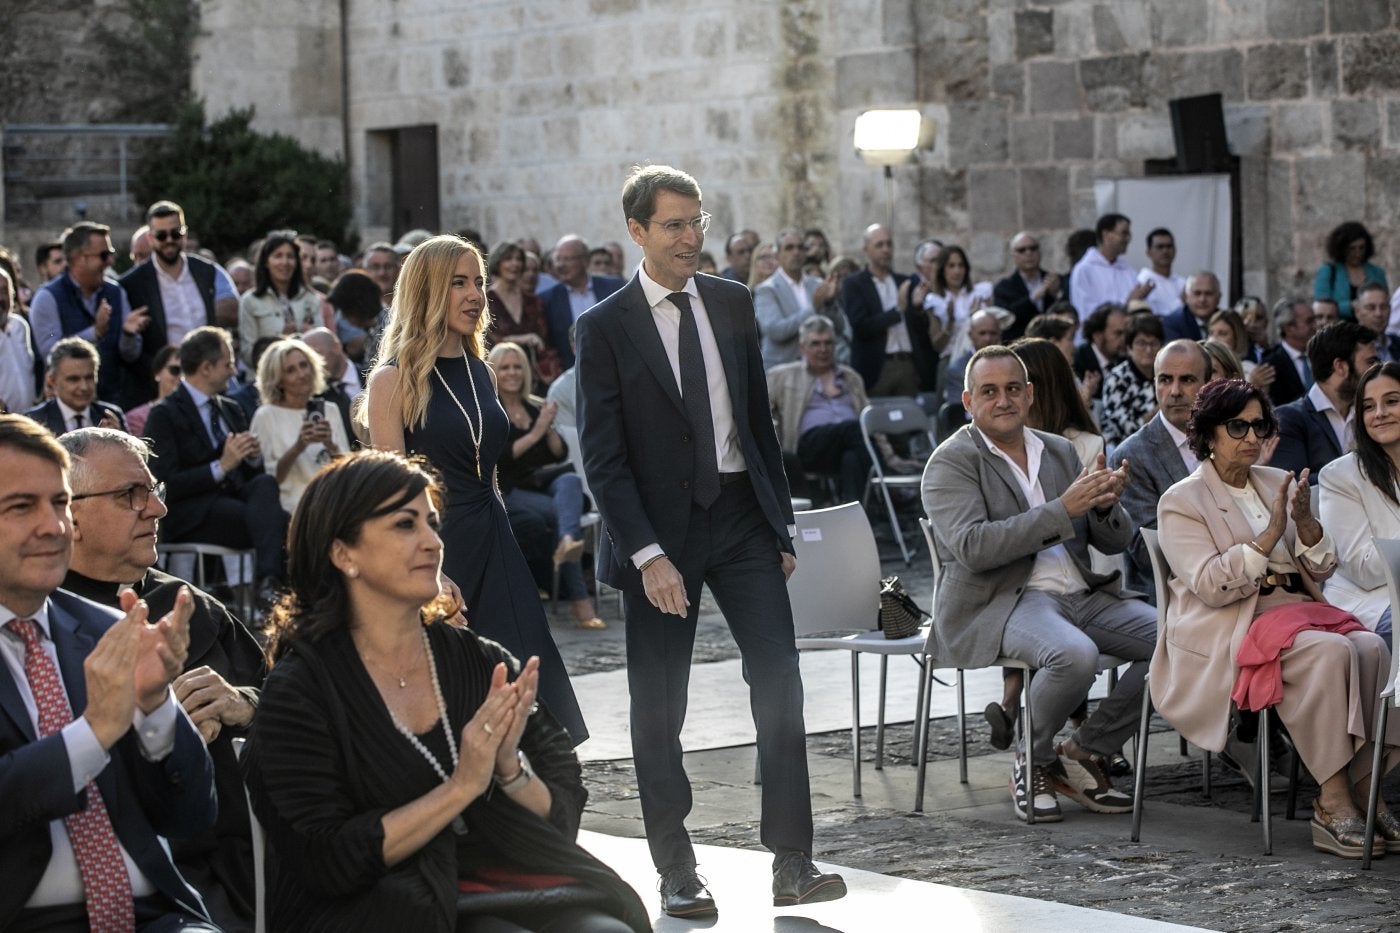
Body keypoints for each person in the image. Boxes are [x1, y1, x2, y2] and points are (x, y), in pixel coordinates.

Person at [576, 165, 845, 916]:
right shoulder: (603, 326)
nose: (692, 237)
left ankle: (792, 858)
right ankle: (676, 865)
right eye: (674, 225)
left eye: (697, 222)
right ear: (637, 231)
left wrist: (779, 521)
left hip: (741, 518)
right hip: (658, 536)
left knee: (781, 678)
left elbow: (757, 422)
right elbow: (603, 458)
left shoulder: (732, 302)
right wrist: (647, 554)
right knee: (661, 701)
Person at [240, 451, 648, 932]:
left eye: (432, 524)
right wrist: (462, 787)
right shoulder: (302, 690)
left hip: (500, 880)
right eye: (405, 525)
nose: (433, 542)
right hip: (378, 904)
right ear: (342, 552)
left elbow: (562, 811)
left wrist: (509, 769)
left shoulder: (479, 660)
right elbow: (328, 857)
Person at [1155, 378, 1400, 859]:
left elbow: (1322, 568)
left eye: (1259, 425)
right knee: (1329, 653)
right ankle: (1331, 801)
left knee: (1374, 647)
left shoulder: (1275, 480)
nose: (1251, 437)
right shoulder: (1182, 500)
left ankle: (1366, 790)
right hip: (1233, 621)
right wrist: (1266, 538)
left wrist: (1306, 527)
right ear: (1207, 432)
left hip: (1298, 611)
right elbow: (1208, 584)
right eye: (1237, 426)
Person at [0, 413, 219, 931]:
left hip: (156, 918)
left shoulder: (109, 630)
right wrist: (94, 731)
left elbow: (190, 818)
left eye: (58, 503)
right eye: (21, 506)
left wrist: (155, 711)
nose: (52, 526)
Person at [364, 234, 586, 744]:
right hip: (438, 551)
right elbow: (391, 494)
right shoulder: (391, 381)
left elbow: (492, 470)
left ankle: (534, 799)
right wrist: (431, 574)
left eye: (479, 283)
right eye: (458, 283)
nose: (474, 295)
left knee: (527, 682)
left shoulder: (483, 373)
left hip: (495, 538)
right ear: (426, 291)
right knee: (455, 696)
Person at [922, 345, 1154, 823]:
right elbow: (974, 547)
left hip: (1083, 591)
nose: (1002, 400)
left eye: (1012, 389)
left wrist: (1107, 505)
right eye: (989, 392)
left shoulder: (1059, 450)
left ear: (1029, 395)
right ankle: (1033, 759)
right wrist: (1062, 510)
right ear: (969, 401)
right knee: (1074, 655)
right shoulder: (951, 463)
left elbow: (1114, 540)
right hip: (1007, 599)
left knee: (1183, 641)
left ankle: (1086, 748)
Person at [59, 427, 266, 932]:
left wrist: (244, 704)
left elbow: (293, 704)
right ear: (70, 514)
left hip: (225, 867)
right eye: (131, 495)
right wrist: (153, 720)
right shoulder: (34, 622)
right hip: (98, 872)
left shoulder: (191, 609)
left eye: (154, 490)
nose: (157, 509)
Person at [145, 326, 289, 609]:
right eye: (228, 364)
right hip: (193, 512)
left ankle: (268, 584)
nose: (234, 372)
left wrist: (251, 458)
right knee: (279, 522)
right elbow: (165, 483)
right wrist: (220, 467)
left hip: (234, 503)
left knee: (266, 486)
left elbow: (252, 476)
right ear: (206, 368)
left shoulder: (230, 408)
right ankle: (270, 588)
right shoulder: (165, 414)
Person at [486, 341, 604, 631]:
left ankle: (567, 541)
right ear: (493, 371)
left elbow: (559, 454)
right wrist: (537, 429)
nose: (512, 373)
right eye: (505, 367)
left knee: (570, 480)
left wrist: (548, 428)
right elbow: (502, 457)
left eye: (517, 367)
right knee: (566, 518)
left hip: (545, 485)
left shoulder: (534, 404)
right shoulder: (490, 408)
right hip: (510, 489)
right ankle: (581, 602)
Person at [1111, 340, 1213, 598]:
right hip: (1170, 598)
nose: (1175, 391)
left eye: (1187, 380)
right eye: (1165, 380)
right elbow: (1148, 552)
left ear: (1209, 384)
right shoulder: (1132, 455)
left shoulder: (1229, 437)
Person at [119, 200, 239, 406]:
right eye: (161, 235)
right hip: (166, 386)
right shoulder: (132, 284)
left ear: (184, 234)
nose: (169, 240)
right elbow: (129, 350)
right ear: (150, 238)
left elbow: (233, 309)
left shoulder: (208, 271)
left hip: (210, 376)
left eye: (175, 234)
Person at [1319, 361, 1400, 649]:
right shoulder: (1339, 476)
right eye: (1368, 406)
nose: (1379, 413)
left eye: (1392, 401)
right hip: (1373, 602)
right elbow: (1363, 570)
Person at [766, 315, 871, 504]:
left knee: (853, 458)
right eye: (815, 344)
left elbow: (869, 417)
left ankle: (853, 513)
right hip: (809, 447)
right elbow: (762, 411)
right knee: (856, 429)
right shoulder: (784, 375)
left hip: (847, 448)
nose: (823, 349)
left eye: (828, 343)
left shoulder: (851, 377)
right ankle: (881, 477)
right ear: (803, 347)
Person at [250, 338, 350, 512]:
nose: (302, 374)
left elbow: (348, 469)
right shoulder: (266, 416)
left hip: (333, 501)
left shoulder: (330, 409)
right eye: (290, 370)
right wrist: (299, 446)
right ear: (278, 380)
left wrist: (329, 444)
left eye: (304, 365)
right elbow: (270, 481)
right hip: (292, 508)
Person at [1273, 321, 1378, 484]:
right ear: (1341, 366)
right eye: (1370, 362)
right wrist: (1362, 470)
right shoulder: (1289, 418)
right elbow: (1293, 483)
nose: (1378, 370)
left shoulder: (1373, 414)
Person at [237, 233, 324, 365]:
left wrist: (308, 338)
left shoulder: (311, 299)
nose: (285, 262)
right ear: (266, 261)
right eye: (278, 256)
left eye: (290, 256)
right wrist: (280, 340)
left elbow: (322, 347)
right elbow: (248, 353)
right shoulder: (250, 301)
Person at [486, 240, 560, 384]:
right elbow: (488, 339)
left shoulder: (533, 301)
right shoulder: (486, 300)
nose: (515, 264)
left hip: (534, 376)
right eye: (508, 259)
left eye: (519, 259)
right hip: (499, 373)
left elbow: (544, 339)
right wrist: (523, 339)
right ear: (497, 263)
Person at [24, 337, 128, 435]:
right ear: (52, 381)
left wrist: (118, 441)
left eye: (89, 377)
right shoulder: (33, 421)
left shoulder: (112, 416)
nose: (84, 387)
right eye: (73, 379)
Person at [1100, 312, 1165, 446]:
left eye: (1153, 343)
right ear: (1129, 347)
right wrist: (1154, 415)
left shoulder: (1165, 374)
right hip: (1122, 446)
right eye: (1141, 343)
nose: (1148, 350)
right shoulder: (1117, 378)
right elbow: (1124, 427)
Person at [924, 244, 993, 361]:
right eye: (951, 266)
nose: (957, 271)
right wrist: (950, 320)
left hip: (980, 358)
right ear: (942, 269)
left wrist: (976, 317)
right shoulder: (934, 301)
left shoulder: (980, 293)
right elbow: (938, 345)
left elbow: (993, 329)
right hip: (949, 359)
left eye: (961, 265)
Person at [993, 231, 1066, 340]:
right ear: (1014, 256)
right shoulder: (1004, 287)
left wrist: (1056, 294)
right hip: (1021, 345)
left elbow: (1067, 313)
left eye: (1033, 248)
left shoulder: (1055, 280)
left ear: (1039, 252)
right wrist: (1033, 298)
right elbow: (1007, 319)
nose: (1029, 253)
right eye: (1022, 250)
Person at [1314, 221, 1387, 321]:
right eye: (1352, 249)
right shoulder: (1328, 271)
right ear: (1342, 249)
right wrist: (1351, 306)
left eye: (1361, 248)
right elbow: (1321, 306)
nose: (1358, 253)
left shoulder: (1377, 272)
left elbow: (1384, 301)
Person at [1262, 296, 1319, 408]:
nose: (1315, 326)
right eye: (1309, 321)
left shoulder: (1322, 355)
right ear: (1289, 328)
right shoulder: (1271, 365)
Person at [124, 345, 181, 437]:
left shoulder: (197, 413)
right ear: (157, 373)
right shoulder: (136, 418)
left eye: (186, 372)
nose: (181, 377)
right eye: (175, 370)